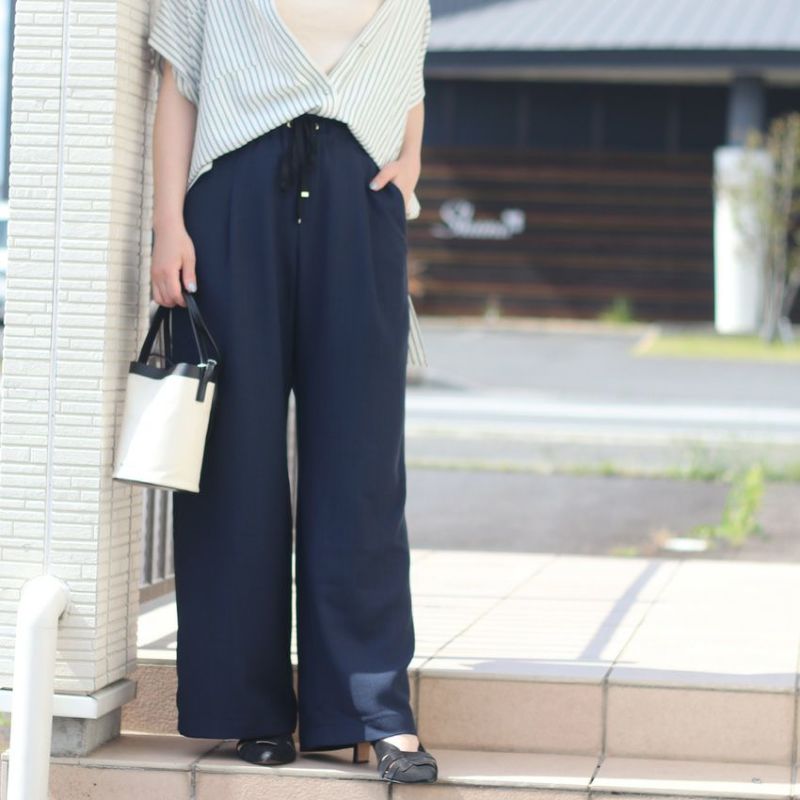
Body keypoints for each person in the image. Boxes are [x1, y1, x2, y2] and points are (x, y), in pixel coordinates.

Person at [146, 0, 437, 785]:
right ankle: (249, 707)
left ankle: (375, 709)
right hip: (232, 204)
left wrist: (411, 160)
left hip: (359, 204)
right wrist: (168, 223)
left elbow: (407, 79)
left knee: (362, 464)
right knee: (233, 460)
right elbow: (180, 85)